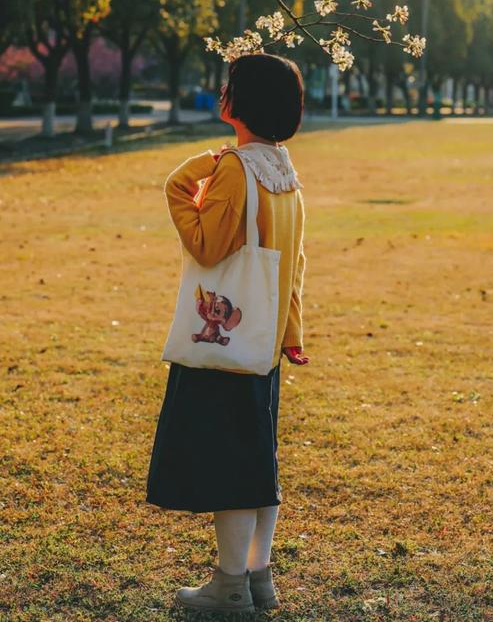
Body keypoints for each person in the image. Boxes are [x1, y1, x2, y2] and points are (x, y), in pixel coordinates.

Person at [146, 53, 309, 615]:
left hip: (224, 341)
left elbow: (208, 246)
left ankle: (229, 585)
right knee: (258, 459)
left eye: (229, 85)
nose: (221, 91)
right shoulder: (284, 169)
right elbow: (296, 261)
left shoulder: (238, 169)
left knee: (234, 465)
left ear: (241, 102)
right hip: (263, 342)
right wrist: (291, 329)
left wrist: (181, 181)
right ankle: (258, 577)